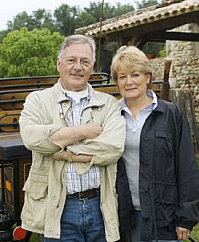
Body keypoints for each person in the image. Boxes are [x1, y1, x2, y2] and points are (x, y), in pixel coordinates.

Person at [19, 34, 126, 241]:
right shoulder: (38, 100)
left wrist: (64, 151)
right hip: (58, 207)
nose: (78, 67)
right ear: (59, 63)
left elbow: (113, 148)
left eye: (85, 61)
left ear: (92, 67)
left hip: (100, 205)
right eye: (71, 60)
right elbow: (32, 138)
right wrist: (84, 132)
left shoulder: (109, 103)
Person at [111, 46, 199, 242]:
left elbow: (187, 167)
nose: (129, 82)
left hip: (163, 215)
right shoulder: (112, 116)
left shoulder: (170, 114)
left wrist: (185, 218)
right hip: (126, 214)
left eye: (135, 74)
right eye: (122, 76)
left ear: (148, 77)